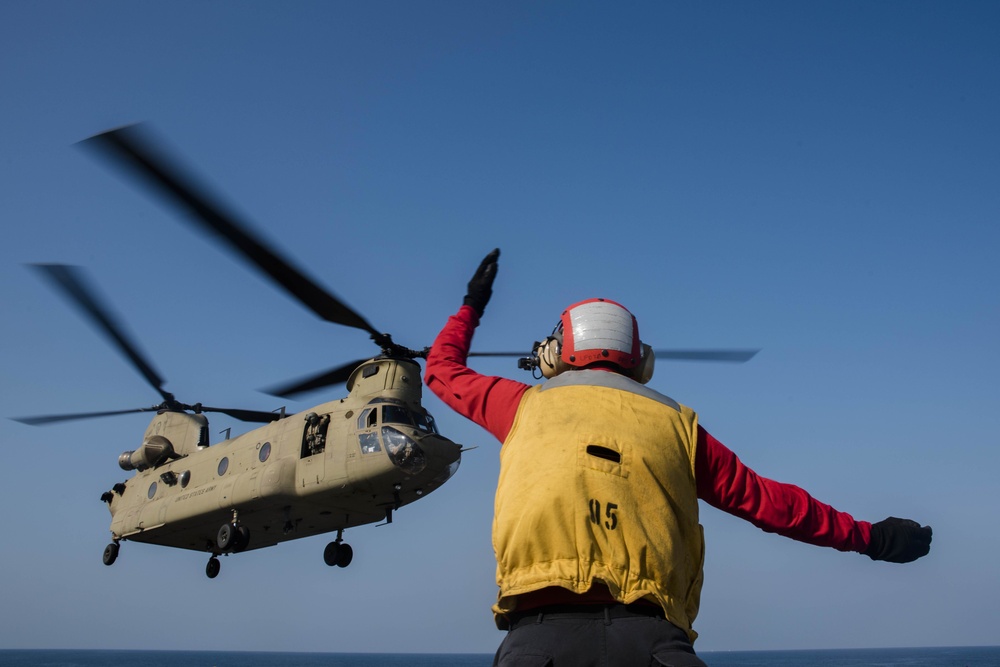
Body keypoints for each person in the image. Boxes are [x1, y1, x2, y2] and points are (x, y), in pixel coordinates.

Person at [424, 249, 932, 667]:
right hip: (655, 645)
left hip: (538, 643)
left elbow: (441, 369)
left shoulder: (518, 406)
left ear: (555, 356)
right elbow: (773, 505)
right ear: (641, 360)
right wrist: (874, 537)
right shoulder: (677, 424)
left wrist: (473, 303)